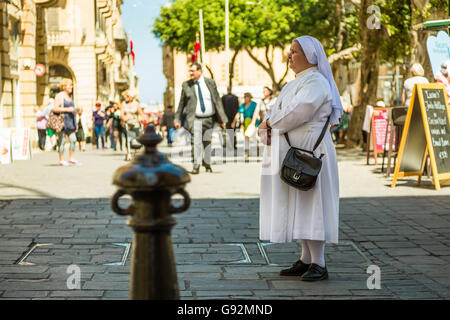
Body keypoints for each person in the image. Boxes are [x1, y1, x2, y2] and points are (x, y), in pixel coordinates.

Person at [258, 36, 342, 281]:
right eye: (290, 51)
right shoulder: (296, 82)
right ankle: (306, 258)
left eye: (294, 51)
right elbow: (280, 111)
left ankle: (319, 262)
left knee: (312, 203)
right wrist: (270, 125)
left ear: (310, 55)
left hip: (309, 152)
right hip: (295, 152)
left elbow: (298, 112)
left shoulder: (316, 82)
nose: (289, 56)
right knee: (299, 205)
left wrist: (270, 123)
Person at [174, 62, 228, 174]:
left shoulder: (210, 83)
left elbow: (217, 100)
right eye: (190, 71)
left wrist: (223, 119)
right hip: (195, 118)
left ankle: (207, 164)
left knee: (207, 142)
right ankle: (196, 165)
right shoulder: (186, 85)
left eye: (193, 71)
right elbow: (181, 103)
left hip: (210, 118)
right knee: (196, 141)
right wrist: (177, 119)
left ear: (199, 71)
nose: (191, 73)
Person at [52, 79, 80, 166]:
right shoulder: (60, 96)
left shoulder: (70, 96)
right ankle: (61, 159)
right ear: (64, 87)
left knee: (73, 140)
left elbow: (73, 110)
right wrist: (67, 110)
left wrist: (78, 113)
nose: (71, 87)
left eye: (71, 85)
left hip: (71, 121)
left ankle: (71, 158)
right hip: (62, 121)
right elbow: (55, 108)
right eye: (69, 85)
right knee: (62, 141)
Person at [231, 92, 259, 161]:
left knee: (253, 137)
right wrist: (234, 122)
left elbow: (257, 112)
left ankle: (257, 147)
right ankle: (247, 151)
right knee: (246, 137)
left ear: (249, 97)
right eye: (244, 97)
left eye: (246, 97)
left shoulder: (254, 104)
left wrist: (254, 122)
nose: (245, 98)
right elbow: (238, 114)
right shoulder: (243, 105)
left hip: (253, 122)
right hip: (246, 123)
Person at [120, 91, 145, 160]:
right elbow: (121, 114)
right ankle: (128, 153)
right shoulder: (123, 104)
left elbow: (141, 114)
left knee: (136, 139)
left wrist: (142, 119)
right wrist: (123, 118)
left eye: (127, 96)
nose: (126, 97)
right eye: (125, 96)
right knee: (128, 139)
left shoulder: (136, 104)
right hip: (127, 123)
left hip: (135, 123)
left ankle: (136, 153)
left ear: (131, 97)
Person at [221, 88, 240, 152]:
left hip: (227, 117)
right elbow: (237, 108)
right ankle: (233, 144)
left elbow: (221, 108)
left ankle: (226, 144)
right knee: (233, 132)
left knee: (226, 131)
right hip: (233, 117)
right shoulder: (235, 97)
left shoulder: (223, 98)